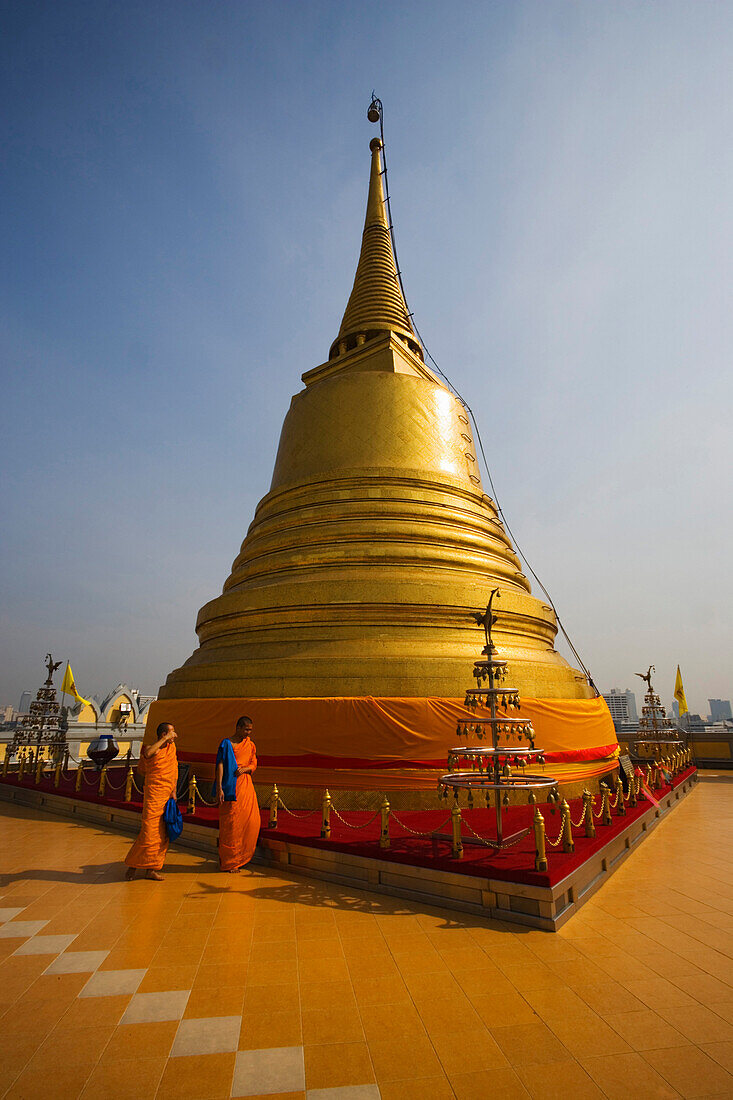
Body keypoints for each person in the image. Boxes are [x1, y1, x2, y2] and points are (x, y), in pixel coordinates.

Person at [124, 722, 178, 881]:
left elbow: (174, 770)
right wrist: (165, 739)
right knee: (148, 834)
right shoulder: (153, 748)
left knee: (162, 835)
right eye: (172, 732)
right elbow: (147, 754)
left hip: (167, 795)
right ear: (163, 734)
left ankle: (152, 869)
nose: (175, 735)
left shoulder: (171, 749)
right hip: (154, 794)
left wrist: (174, 791)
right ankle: (133, 866)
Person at [215, 715, 260, 873]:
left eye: (250, 730)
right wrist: (219, 787)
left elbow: (253, 762)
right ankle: (230, 861)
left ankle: (242, 856)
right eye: (246, 729)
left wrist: (247, 769)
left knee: (252, 821)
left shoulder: (250, 745)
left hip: (245, 785)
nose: (248, 733)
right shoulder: (227, 744)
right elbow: (220, 765)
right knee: (232, 824)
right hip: (231, 786)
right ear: (238, 727)